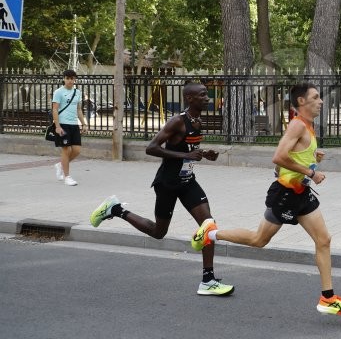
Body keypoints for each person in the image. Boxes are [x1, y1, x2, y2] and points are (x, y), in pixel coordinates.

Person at [192, 82, 341, 315]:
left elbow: (291, 161)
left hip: (301, 194)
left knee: (324, 240)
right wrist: (311, 172)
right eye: (316, 97)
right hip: (286, 195)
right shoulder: (297, 126)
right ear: (302, 102)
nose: (321, 101)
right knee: (259, 240)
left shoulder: (308, 127)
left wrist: (313, 160)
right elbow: (278, 157)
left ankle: (328, 299)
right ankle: (209, 233)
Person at [89, 82, 234, 296]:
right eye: (203, 95)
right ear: (190, 98)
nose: (207, 98)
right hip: (167, 183)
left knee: (208, 226)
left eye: (206, 95)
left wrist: (203, 153)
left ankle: (208, 280)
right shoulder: (177, 121)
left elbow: (186, 147)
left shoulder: (198, 121)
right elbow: (151, 148)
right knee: (159, 232)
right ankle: (116, 209)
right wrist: (186, 155)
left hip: (187, 181)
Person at [51, 69, 88, 186]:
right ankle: (67, 177)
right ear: (64, 79)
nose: (70, 81)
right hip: (63, 124)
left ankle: (60, 165)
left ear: (74, 79)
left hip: (74, 124)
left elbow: (78, 109)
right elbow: (55, 109)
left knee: (77, 150)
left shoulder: (77, 92)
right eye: (67, 78)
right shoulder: (58, 92)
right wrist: (57, 126)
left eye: (72, 78)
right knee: (66, 150)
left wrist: (84, 123)